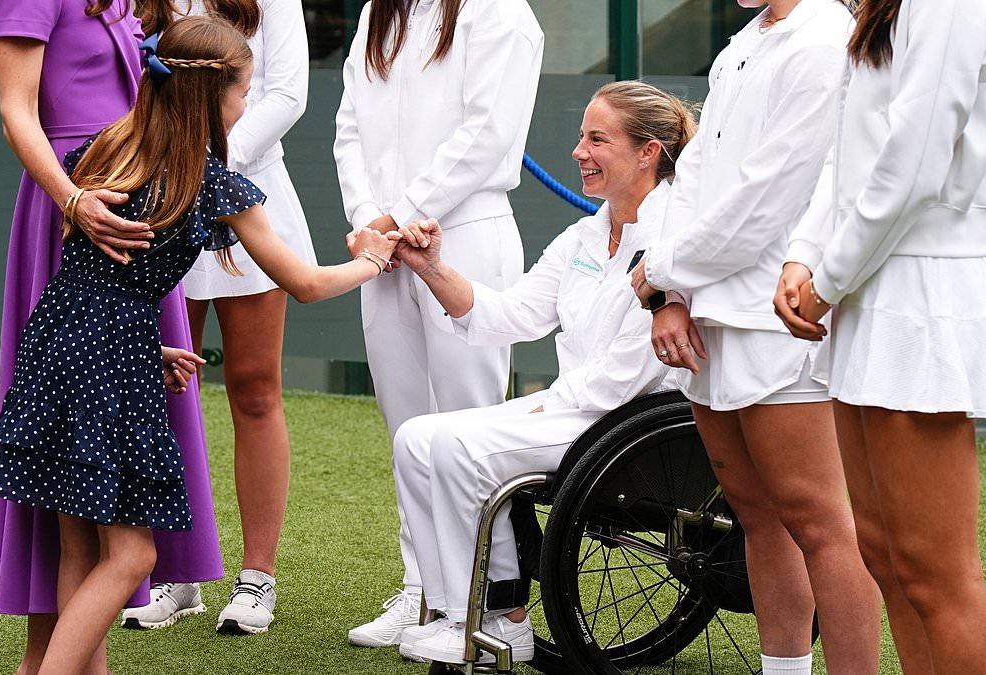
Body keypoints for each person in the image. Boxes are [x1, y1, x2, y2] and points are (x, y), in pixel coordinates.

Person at [0, 16, 400, 673]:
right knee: (132, 556)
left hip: (55, 350)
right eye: (242, 93)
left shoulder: (99, 150)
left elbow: (86, 285)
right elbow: (303, 281)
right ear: (215, 100)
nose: (246, 105)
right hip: (105, 365)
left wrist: (140, 349)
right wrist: (373, 260)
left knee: (80, 551)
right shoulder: (214, 186)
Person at [381, 81, 687, 665]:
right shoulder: (585, 235)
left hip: (633, 423)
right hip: (580, 410)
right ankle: (457, 612)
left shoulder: (674, 239)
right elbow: (512, 314)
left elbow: (634, 369)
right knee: (417, 437)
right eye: (581, 137)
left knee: (462, 446)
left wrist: (549, 402)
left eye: (598, 139)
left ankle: (503, 619)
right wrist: (431, 268)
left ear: (647, 152)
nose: (579, 152)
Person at [774, 0, 986, 672]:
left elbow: (914, 162)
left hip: (923, 293)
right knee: (886, 555)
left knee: (934, 571)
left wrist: (826, 278)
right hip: (870, 288)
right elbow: (852, 150)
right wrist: (804, 254)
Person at [629, 1, 883, 673]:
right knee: (756, 513)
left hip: (781, 318)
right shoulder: (746, 40)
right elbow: (694, 179)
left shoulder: (825, 41)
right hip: (712, 313)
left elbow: (766, 199)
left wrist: (659, 271)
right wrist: (671, 294)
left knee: (821, 523)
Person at [0, 1, 222, 671]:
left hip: (139, 207)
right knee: (69, 477)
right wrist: (71, 199)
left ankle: (66, 660)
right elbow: (16, 110)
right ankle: (48, 656)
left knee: (96, 515)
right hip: (73, 206)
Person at [335, 0, 544, 648]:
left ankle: (500, 609)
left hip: (467, 232)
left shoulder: (501, 11)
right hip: (384, 247)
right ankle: (426, 589)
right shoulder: (379, 11)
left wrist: (400, 213)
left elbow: (486, 132)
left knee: (472, 423)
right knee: (407, 425)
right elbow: (348, 126)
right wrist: (372, 216)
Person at [120, 0, 314, 636]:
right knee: (165, 385)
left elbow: (287, 94)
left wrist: (209, 162)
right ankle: (180, 571)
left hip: (248, 198)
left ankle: (257, 577)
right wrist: (174, 166)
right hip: (165, 196)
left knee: (255, 388)